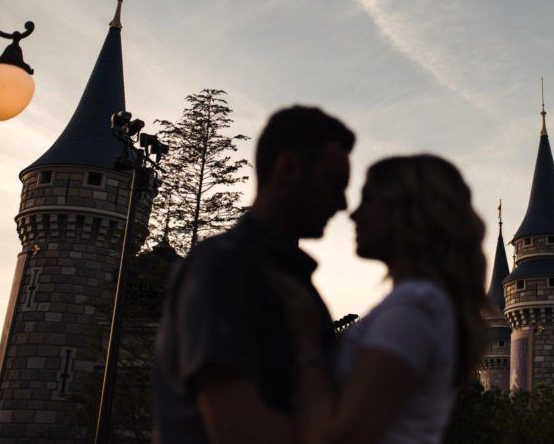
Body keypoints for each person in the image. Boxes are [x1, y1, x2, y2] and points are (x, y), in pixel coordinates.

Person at [153, 105, 355, 444]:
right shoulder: (223, 267)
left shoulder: (288, 281)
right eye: (333, 184)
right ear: (288, 168)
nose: (342, 203)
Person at [275, 154, 488, 444]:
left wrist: (306, 340)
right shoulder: (420, 303)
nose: (354, 214)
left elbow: (340, 438)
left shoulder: (416, 306)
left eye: (369, 199)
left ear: (408, 211)